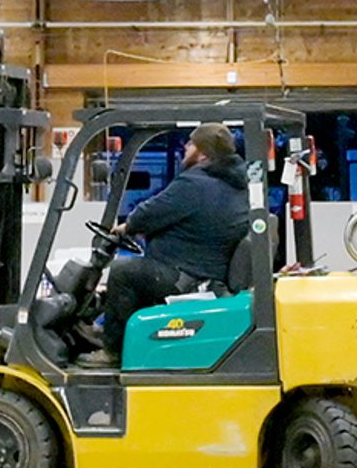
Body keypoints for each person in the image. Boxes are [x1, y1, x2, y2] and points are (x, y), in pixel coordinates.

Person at [75, 122, 253, 361]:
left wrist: (128, 227)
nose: (185, 149)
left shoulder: (194, 183)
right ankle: (120, 334)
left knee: (123, 272)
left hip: (188, 277)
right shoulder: (235, 185)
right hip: (203, 270)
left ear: (202, 153)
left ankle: (113, 351)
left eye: (190, 144)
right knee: (137, 274)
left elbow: (145, 215)